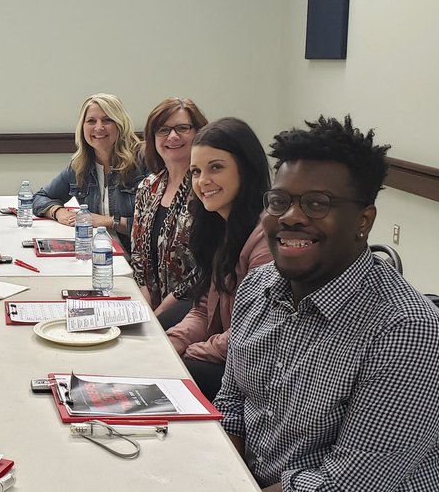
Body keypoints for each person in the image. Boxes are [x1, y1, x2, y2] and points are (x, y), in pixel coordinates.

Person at [24, 116, 439, 492]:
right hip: (273, 490)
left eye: (319, 203)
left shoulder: (406, 332)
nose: (292, 217)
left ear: (364, 220)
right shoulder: (263, 292)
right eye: (281, 200)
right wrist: (175, 476)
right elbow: (232, 410)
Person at [165, 117, 273, 399]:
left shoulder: (267, 238)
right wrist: (173, 342)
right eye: (196, 171)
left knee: (175, 376)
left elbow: (252, 332)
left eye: (216, 167)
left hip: (256, 367)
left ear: (246, 168)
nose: (203, 181)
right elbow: (203, 308)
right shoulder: (220, 225)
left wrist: (189, 352)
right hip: (227, 349)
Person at [129, 97, 209, 328]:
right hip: (152, 301)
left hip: (194, 305)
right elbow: (137, 256)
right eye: (163, 130)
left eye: (182, 128)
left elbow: (207, 267)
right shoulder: (148, 187)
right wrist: (144, 300)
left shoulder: (206, 189)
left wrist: (163, 308)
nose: (172, 137)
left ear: (198, 133)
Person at [32, 93, 145, 249]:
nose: (99, 127)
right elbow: (40, 197)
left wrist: (109, 221)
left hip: (137, 258)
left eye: (107, 120)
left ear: (120, 124)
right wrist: (57, 211)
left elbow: (156, 224)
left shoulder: (143, 160)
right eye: (91, 121)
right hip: (99, 252)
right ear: (82, 127)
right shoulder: (79, 166)